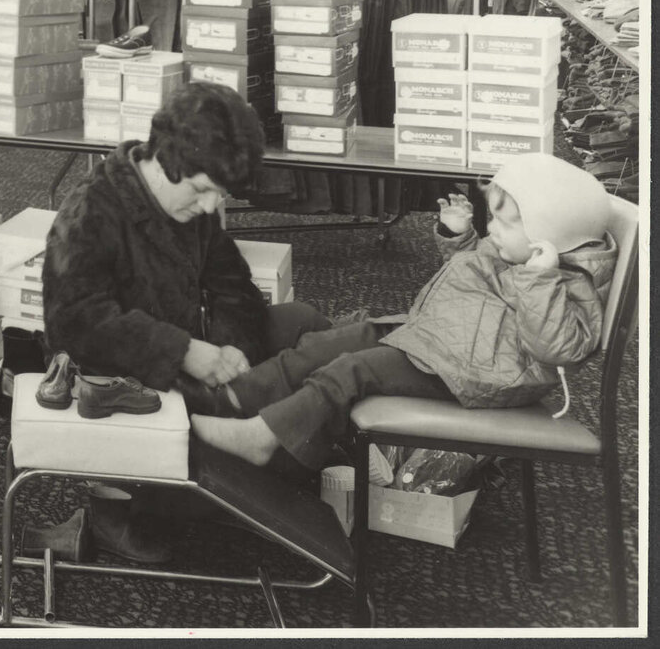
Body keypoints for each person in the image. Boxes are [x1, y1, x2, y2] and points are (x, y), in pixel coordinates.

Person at [29, 83, 332, 562]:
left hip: (192, 353)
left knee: (303, 321)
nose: (212, 207)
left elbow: (233, 285)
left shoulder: (189, 204)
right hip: (125, 381)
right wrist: (185, 351)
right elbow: (72, 323)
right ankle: (118, 505)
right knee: (276, 424)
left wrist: (236, 351)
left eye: (221, 193)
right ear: (167, 161)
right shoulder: (92, 209)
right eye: (203, 190)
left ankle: (273, 435)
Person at [188, 155, 618, 470]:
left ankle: (263, 437)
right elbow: (483, 277)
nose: (493, 231)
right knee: (327, 342)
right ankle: (233, 398)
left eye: (504, 225)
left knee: (349, 370)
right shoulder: (522, 254)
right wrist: (459, 238)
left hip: (471, 372)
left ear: (549, 237)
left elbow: (559, 349)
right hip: (441, 340)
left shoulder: (564, 282)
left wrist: (540, 280)